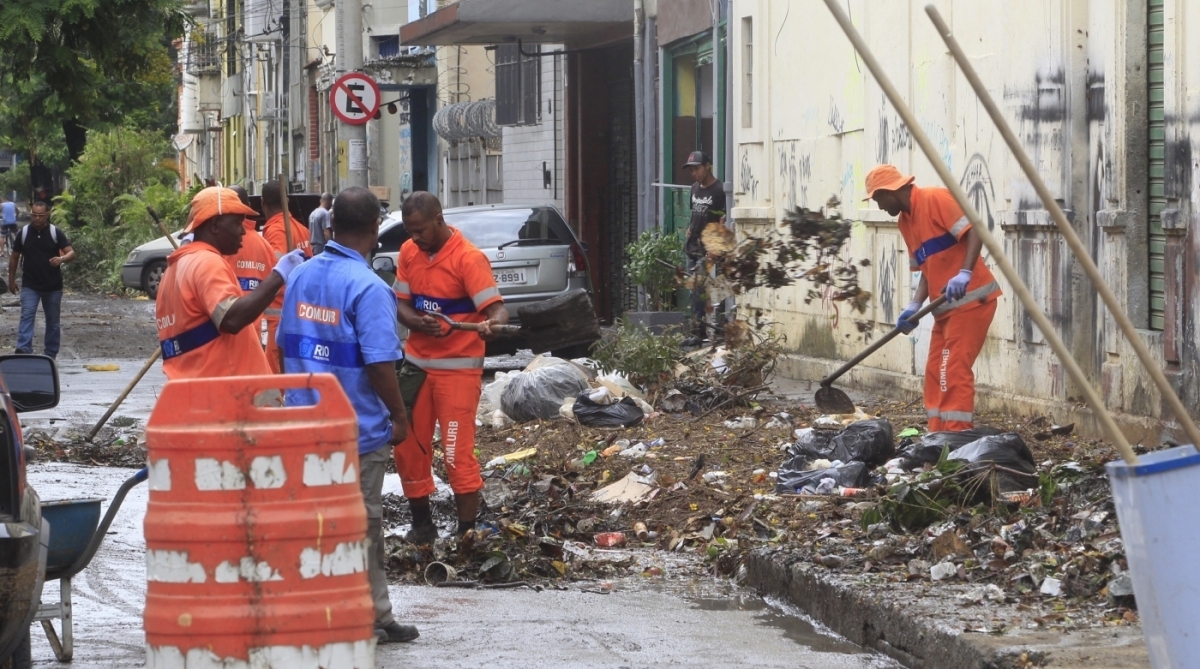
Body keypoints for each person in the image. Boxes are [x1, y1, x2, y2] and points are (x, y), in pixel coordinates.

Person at [278, 186, 419, 645]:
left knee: (311, 524)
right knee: (362, 526)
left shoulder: (301, 276)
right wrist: (399, 419)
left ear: (331, 224)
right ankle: (370, 615)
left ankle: (315, 611)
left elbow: (285, 345)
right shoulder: (370, 288)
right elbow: (380, 363)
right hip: (355, 431)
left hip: (303, 427)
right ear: (376, 229)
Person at [392, 191, 508, 543]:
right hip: (416, 367)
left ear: (439, 221)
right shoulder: (410, 253)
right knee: (408, 446)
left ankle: (466, 532)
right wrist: (417, 322)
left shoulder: (468, 260)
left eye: (421, 231)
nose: (415, 238)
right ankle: (422, 525)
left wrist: (494, 324)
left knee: (457, 452)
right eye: (410, 231)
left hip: (457, 371)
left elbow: (496, 311)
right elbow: (401, 306)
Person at [865, 165, 1001, 432]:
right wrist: (915, 305)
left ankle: (956, 436)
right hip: (945, 307)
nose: (879, 206)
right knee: (935, 371)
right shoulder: (905, 221)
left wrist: (964, 272)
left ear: (889, 191)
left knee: (953, 370)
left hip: (972, 300)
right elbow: (927, 269)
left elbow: (975, 231)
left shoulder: (934, 198)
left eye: (878, 198)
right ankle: (937, 433)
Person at [154, 187, 304, 380]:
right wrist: (279, 275)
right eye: (237, 223)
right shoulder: (206, 262)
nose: (243, 231)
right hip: (219, 394)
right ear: (215, 225)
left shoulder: (173, 269)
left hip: (191, 392)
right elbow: (232, 319)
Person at [9, 201, 74, 358]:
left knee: (52, 320)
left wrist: (61, 259)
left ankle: (50, 353)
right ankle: (23, 348)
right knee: (27, 315)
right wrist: (11, 280)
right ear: (31, 214)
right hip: (30, 284)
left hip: (53, 286)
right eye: (34, 215)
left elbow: (71, 252)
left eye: (40, 215)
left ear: (47, 215)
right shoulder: (23, 233)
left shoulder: (55, 232)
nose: (37, 218)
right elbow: (14, 257)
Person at [260, 181, 312, 373]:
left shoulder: (275, 230)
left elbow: (274, 270)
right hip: (298, 309)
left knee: (276, 375)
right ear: (286, 201)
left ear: (263, 202)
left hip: (279, 312)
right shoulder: (301, 228)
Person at [682, 150, 725, 347]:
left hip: (708, 249)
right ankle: (699, 330)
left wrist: (715, 247)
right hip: (692, 246)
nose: (694, 173)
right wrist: (690, 228)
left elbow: (721, 221)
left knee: (701, 287)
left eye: (697, 169)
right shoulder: (694, 189)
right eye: (691, 170)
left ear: (707, 166)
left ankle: (702, 332)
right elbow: (696, 213)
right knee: (695, 290)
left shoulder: (719, 190)